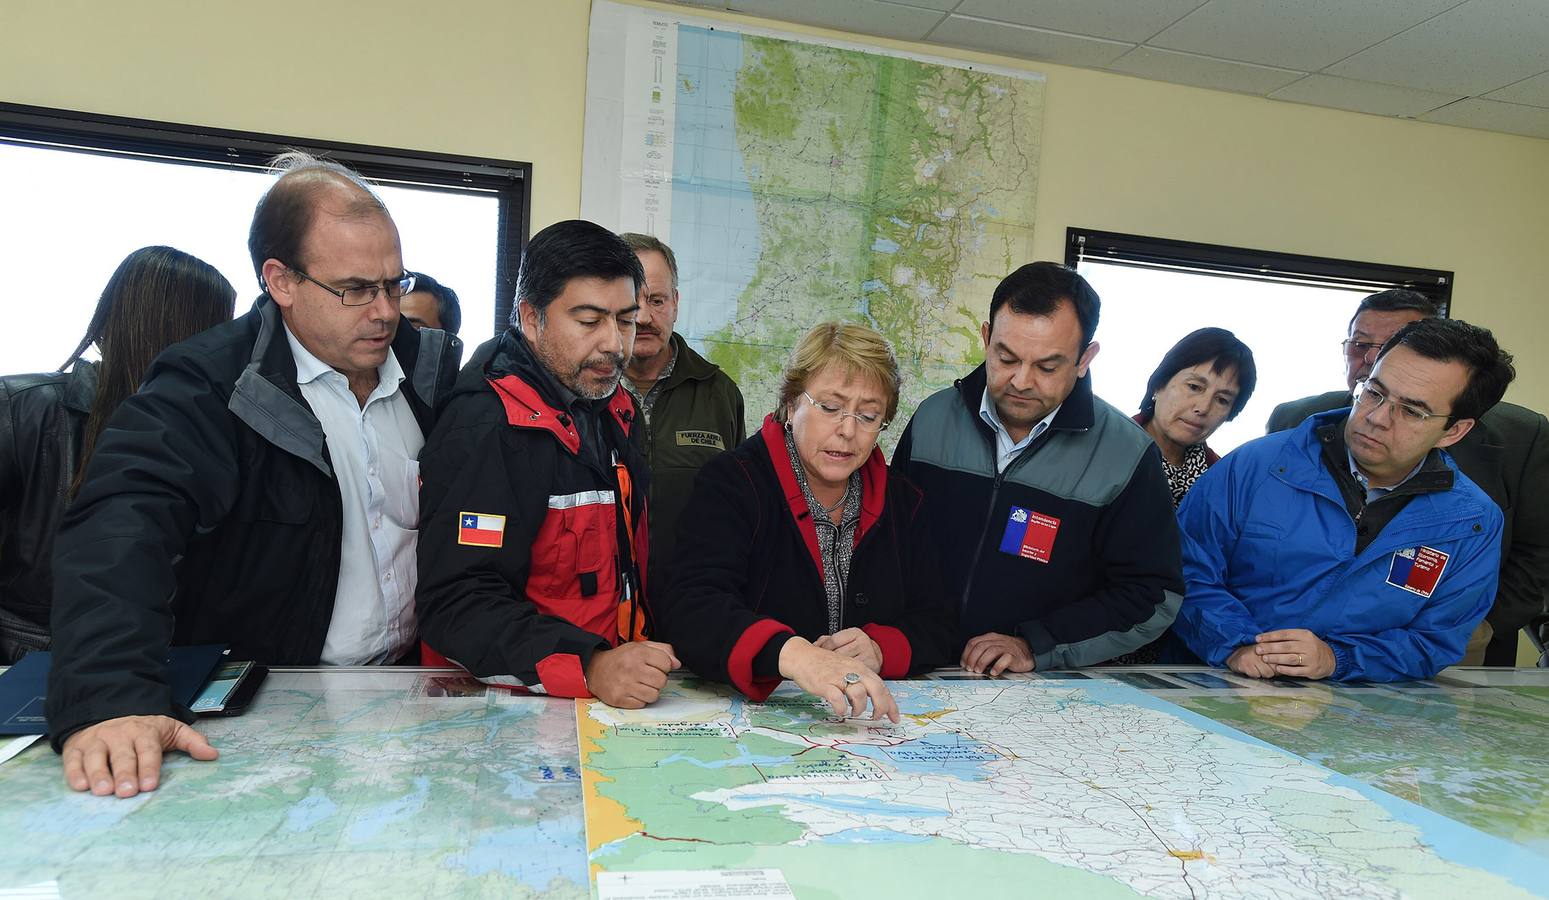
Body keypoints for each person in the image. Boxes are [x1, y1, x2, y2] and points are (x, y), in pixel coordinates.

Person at [45, 152, 462, 797]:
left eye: (393, 284)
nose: (383, 311)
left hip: (409, 696)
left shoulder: (431, 377)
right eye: (354, 289)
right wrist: (113, 693)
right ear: (281, 280)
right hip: (271, 708)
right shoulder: (211, 385)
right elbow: (121, 529)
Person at [416, 220, 675, 709]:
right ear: (532, 318)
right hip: (505, 710)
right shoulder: (484, 426)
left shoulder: (614, 408)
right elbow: (458, 605)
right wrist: (590, 663)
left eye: (624, 319)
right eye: (589, 320)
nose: (614, 345)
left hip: (606, 699)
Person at [1174, 318, 1513, 682]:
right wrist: (1236, 645)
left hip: (1351, 709)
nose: (1377, 418)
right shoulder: (1255, 466)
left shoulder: (1473, 523)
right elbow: (1184, 571)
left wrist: (1338, 659)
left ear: (1454, 431)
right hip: (1214, 681)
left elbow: (1434, 640)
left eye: (1412, 411)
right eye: (1374, 392)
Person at [893, 262, 1182, 675]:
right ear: (987, 338)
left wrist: (1037, 643)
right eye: (1006, 357)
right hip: (914, 673)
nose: (1022, 381)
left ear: (1085, 358)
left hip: (1034, 691)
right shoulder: (932, 419)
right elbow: (886, 546)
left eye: (1047, 367)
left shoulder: (1126, 454)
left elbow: (1153, 595)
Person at [659, 323, 957, 722]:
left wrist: (881, 648)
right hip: (758, 721)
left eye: (869, 416)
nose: (848, 431)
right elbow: (691, 608)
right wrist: (794, 655)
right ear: (790, 403)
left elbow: (940, 621)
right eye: (830, 408)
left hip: (867, 728)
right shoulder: (732, 483)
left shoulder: (905, 501)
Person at [1268, 289, 1549, 666]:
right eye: (1360, 344)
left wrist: (1477, 622)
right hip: (1297, 644)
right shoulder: (1296, 421)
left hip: (1453, 648)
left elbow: (1537, 553)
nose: (1371, 358)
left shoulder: (1521, 436)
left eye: (1388, 344)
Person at [0, 246, 235, 662]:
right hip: (36, 667)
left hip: (168, 665)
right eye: (221, 331)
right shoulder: (24, 409)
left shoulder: (214, 427)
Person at [617, 233, 745, 591]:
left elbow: (739, 513)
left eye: (656, 300)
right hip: (601, 615)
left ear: (675, 302)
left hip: (695, 606)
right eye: (630, 301)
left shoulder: (720, 395)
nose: (644, 316)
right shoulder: (581, 395)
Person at [1135, 327, 1257, 507]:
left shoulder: (1226, 485)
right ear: (1159, 384)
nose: (1203, 408)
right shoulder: (1108, 447)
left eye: (1222, 400)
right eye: (1194, 387)